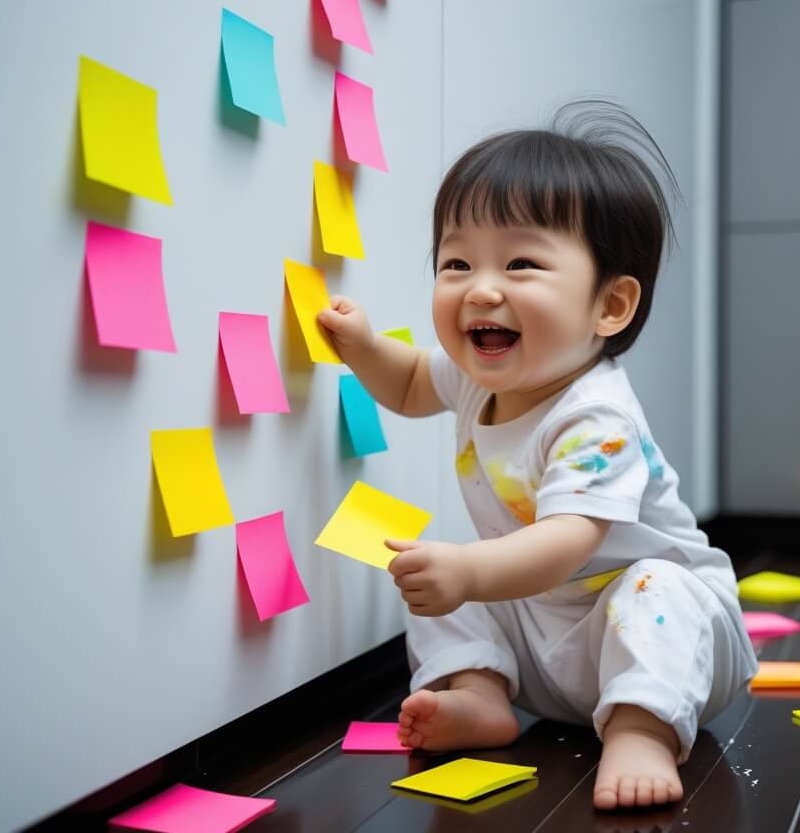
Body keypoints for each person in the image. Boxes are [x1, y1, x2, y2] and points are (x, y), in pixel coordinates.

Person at [317, 100, 757, 811]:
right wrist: (364, 346)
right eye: (456, 262)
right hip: (555, 640)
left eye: (520, 263)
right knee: (432, 568)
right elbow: (404, 383)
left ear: (609, 307)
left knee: (646, 586)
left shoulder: (595, 416)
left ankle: (642, 731)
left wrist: (468, 572)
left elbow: (563, 543)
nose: (481, 288)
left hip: (673, 641)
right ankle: (480, 693)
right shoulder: (473, 377)